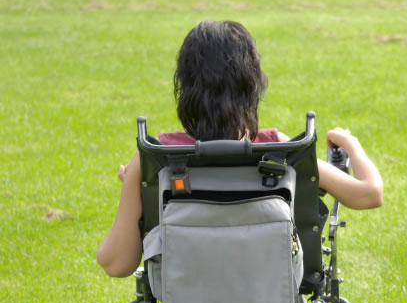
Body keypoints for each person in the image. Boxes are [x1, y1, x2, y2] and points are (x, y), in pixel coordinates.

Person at [97, 20, 383, 277]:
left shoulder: (157, 157)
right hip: (270, 297)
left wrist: (130, 186)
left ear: (184, 86)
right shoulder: (279, 150)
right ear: (252, 84)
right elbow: (370, 194)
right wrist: (351, 143)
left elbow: (116, 264)